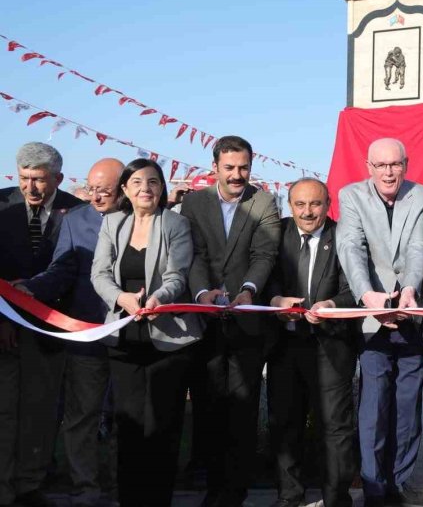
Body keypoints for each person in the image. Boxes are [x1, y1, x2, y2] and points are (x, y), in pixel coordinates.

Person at [90, 158, 204, 507]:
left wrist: (156, 299)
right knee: (129, 424)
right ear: (125, 188)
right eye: (137, 182)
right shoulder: (112, 223)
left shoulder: (176, 223)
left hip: (167, 338)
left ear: (162, 188)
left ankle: (157, 499)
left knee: (161, 425)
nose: (146, 189)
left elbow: (177, 275)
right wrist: (122, 298)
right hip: (124, 337)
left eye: (153, 182)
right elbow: (99, 274)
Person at [179, 136, 281, 507]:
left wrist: (249, 290)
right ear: (215, 168)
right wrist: (203, 293)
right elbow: (193, 254)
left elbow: (264, 252)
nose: (237, 175)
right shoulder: (193, 202)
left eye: (244, 168)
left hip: (246, 319)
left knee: (242, 409)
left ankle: (235, 492)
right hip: (205, 320)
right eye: (230, 168)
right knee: (207, 406)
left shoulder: (264, 201)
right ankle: (211, 486)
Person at [18, 158, 124, 507]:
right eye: (91, 189)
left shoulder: (143, 218)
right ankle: (85, 489)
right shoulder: (75, 219)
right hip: (85, 333)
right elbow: (61, 269)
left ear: (124, 187)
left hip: (131, 336)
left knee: (128, 414)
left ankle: (124, 485)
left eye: (104, 190)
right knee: (82, 416)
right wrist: (31, 288)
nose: (94, 197)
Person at [336, 138, 423, 507]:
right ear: (368, 166)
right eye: (381, 166)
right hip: (372, 317)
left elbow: (418, 248)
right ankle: (374, 486)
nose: (389, 172)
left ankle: (401, 481)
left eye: (395, 165)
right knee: (374, 404)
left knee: (409, 405)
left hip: (410, 313)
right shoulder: (351, 196)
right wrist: (368, 297)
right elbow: (351, 247)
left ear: (406, 165)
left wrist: (409, 289)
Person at [265, 178, 359, 507]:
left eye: (315, 204)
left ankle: (336, 498)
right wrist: (276, 300)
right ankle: (289, 497)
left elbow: (355, 289)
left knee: (335, 427)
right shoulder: (276, 234)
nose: (308, 212)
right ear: (289, 206)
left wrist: (333, 306)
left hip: (330, 346)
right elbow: (264, 277)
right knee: (285, 424)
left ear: (328, 204)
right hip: (285, 347)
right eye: (300, 205)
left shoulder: (344, 235)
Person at [0, 142, 82, 507]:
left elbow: (74, 268)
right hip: (4, 327)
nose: (30, 188)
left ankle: (30, 484)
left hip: (51, 327)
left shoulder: (77, 211)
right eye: (24, 179)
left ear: (58, 178)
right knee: (4, 410)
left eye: (39, 180)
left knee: (40, 409)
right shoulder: (1, 205)